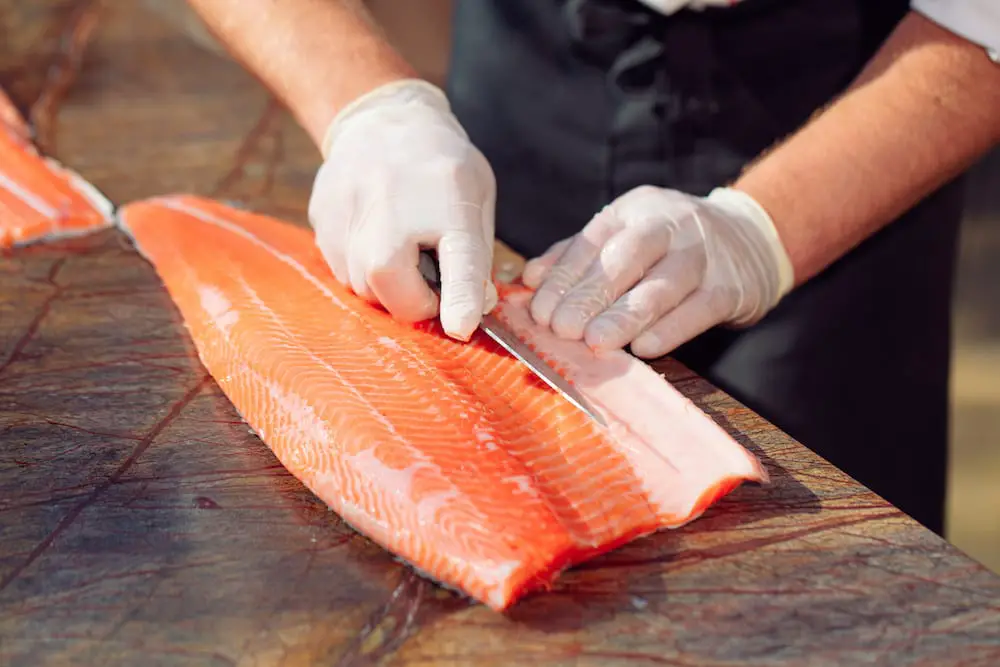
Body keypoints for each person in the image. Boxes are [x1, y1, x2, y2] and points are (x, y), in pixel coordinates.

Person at [181, 0, 1000, 536]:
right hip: (530, 67)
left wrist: (760, 231)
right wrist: (365, 106)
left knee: (813, 559)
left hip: (865, 91)